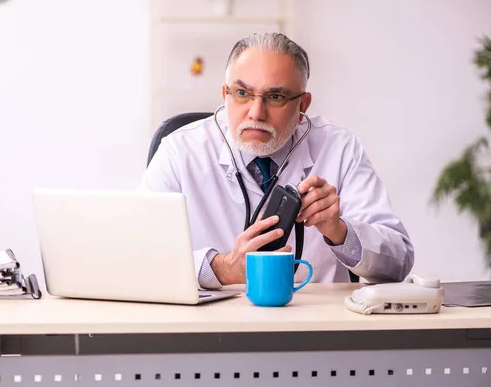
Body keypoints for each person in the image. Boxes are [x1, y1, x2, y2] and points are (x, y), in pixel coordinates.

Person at [138, 32, 414, 289]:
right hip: (210, 329)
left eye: (276, 97)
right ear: (225, 95)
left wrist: (339, 231)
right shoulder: (180, 150)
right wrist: (223, 268)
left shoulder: (339, 148)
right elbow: (136, 255)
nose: (256, 113)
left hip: (315, 327)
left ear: (303, 105)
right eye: (243, 93)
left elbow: (398, 262)